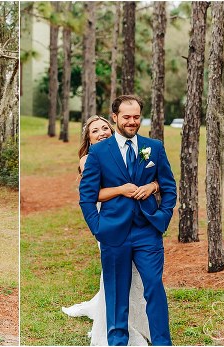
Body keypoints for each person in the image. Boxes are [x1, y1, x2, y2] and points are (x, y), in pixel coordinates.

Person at [79, 96, 177, 346]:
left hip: (147, 231)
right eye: (126, 117)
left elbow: (168, 186)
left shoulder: (153, 147)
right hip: (113, 232)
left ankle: (162, 342)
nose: (132, 122)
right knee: (116, 293)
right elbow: (87, 196)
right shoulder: (99, 152)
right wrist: (98, 229)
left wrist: (163, 217)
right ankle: (118, 342)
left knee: (154, 286)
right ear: (115, 118)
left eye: (136, 117)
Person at [63, 115, 156, 345]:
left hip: (132, 222)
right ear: (89, 138)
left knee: (135, 276)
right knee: (115, 276)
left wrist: (152, 185)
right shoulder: (88, 159)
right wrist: (122, 189)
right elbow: (92, 194)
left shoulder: (120, 151)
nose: (102, 132)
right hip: (109, 222)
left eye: (105, 127)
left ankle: (137, 322)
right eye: (95, 131)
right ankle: (114, 329)